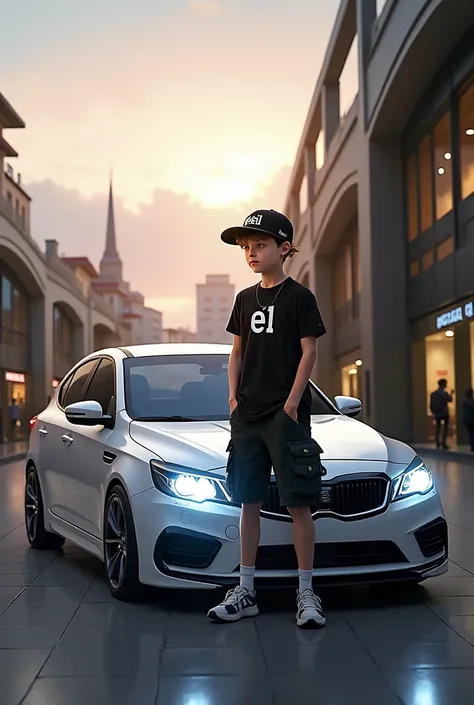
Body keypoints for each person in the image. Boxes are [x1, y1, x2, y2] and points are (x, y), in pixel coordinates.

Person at [207, 209, 327, 628]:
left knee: (299, 504)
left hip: (285, 416)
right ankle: (246, 590)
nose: (251, 253)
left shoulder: (299, 297)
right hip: (247, 417)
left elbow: (309, 351)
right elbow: (236, 351)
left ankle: (307, 592)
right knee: (249, 503)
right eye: (246, 247)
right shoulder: (244, 299)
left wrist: (292, 404)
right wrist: (232, 400)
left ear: (284, 248)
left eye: (259, 245)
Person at [461, 388, 474, 452]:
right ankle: (472, 446)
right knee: (472, 433)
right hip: (470, 419)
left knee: (471, 433)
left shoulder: (465, 400)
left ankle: (472, 446)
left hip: (467, 419)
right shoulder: (469, 401)